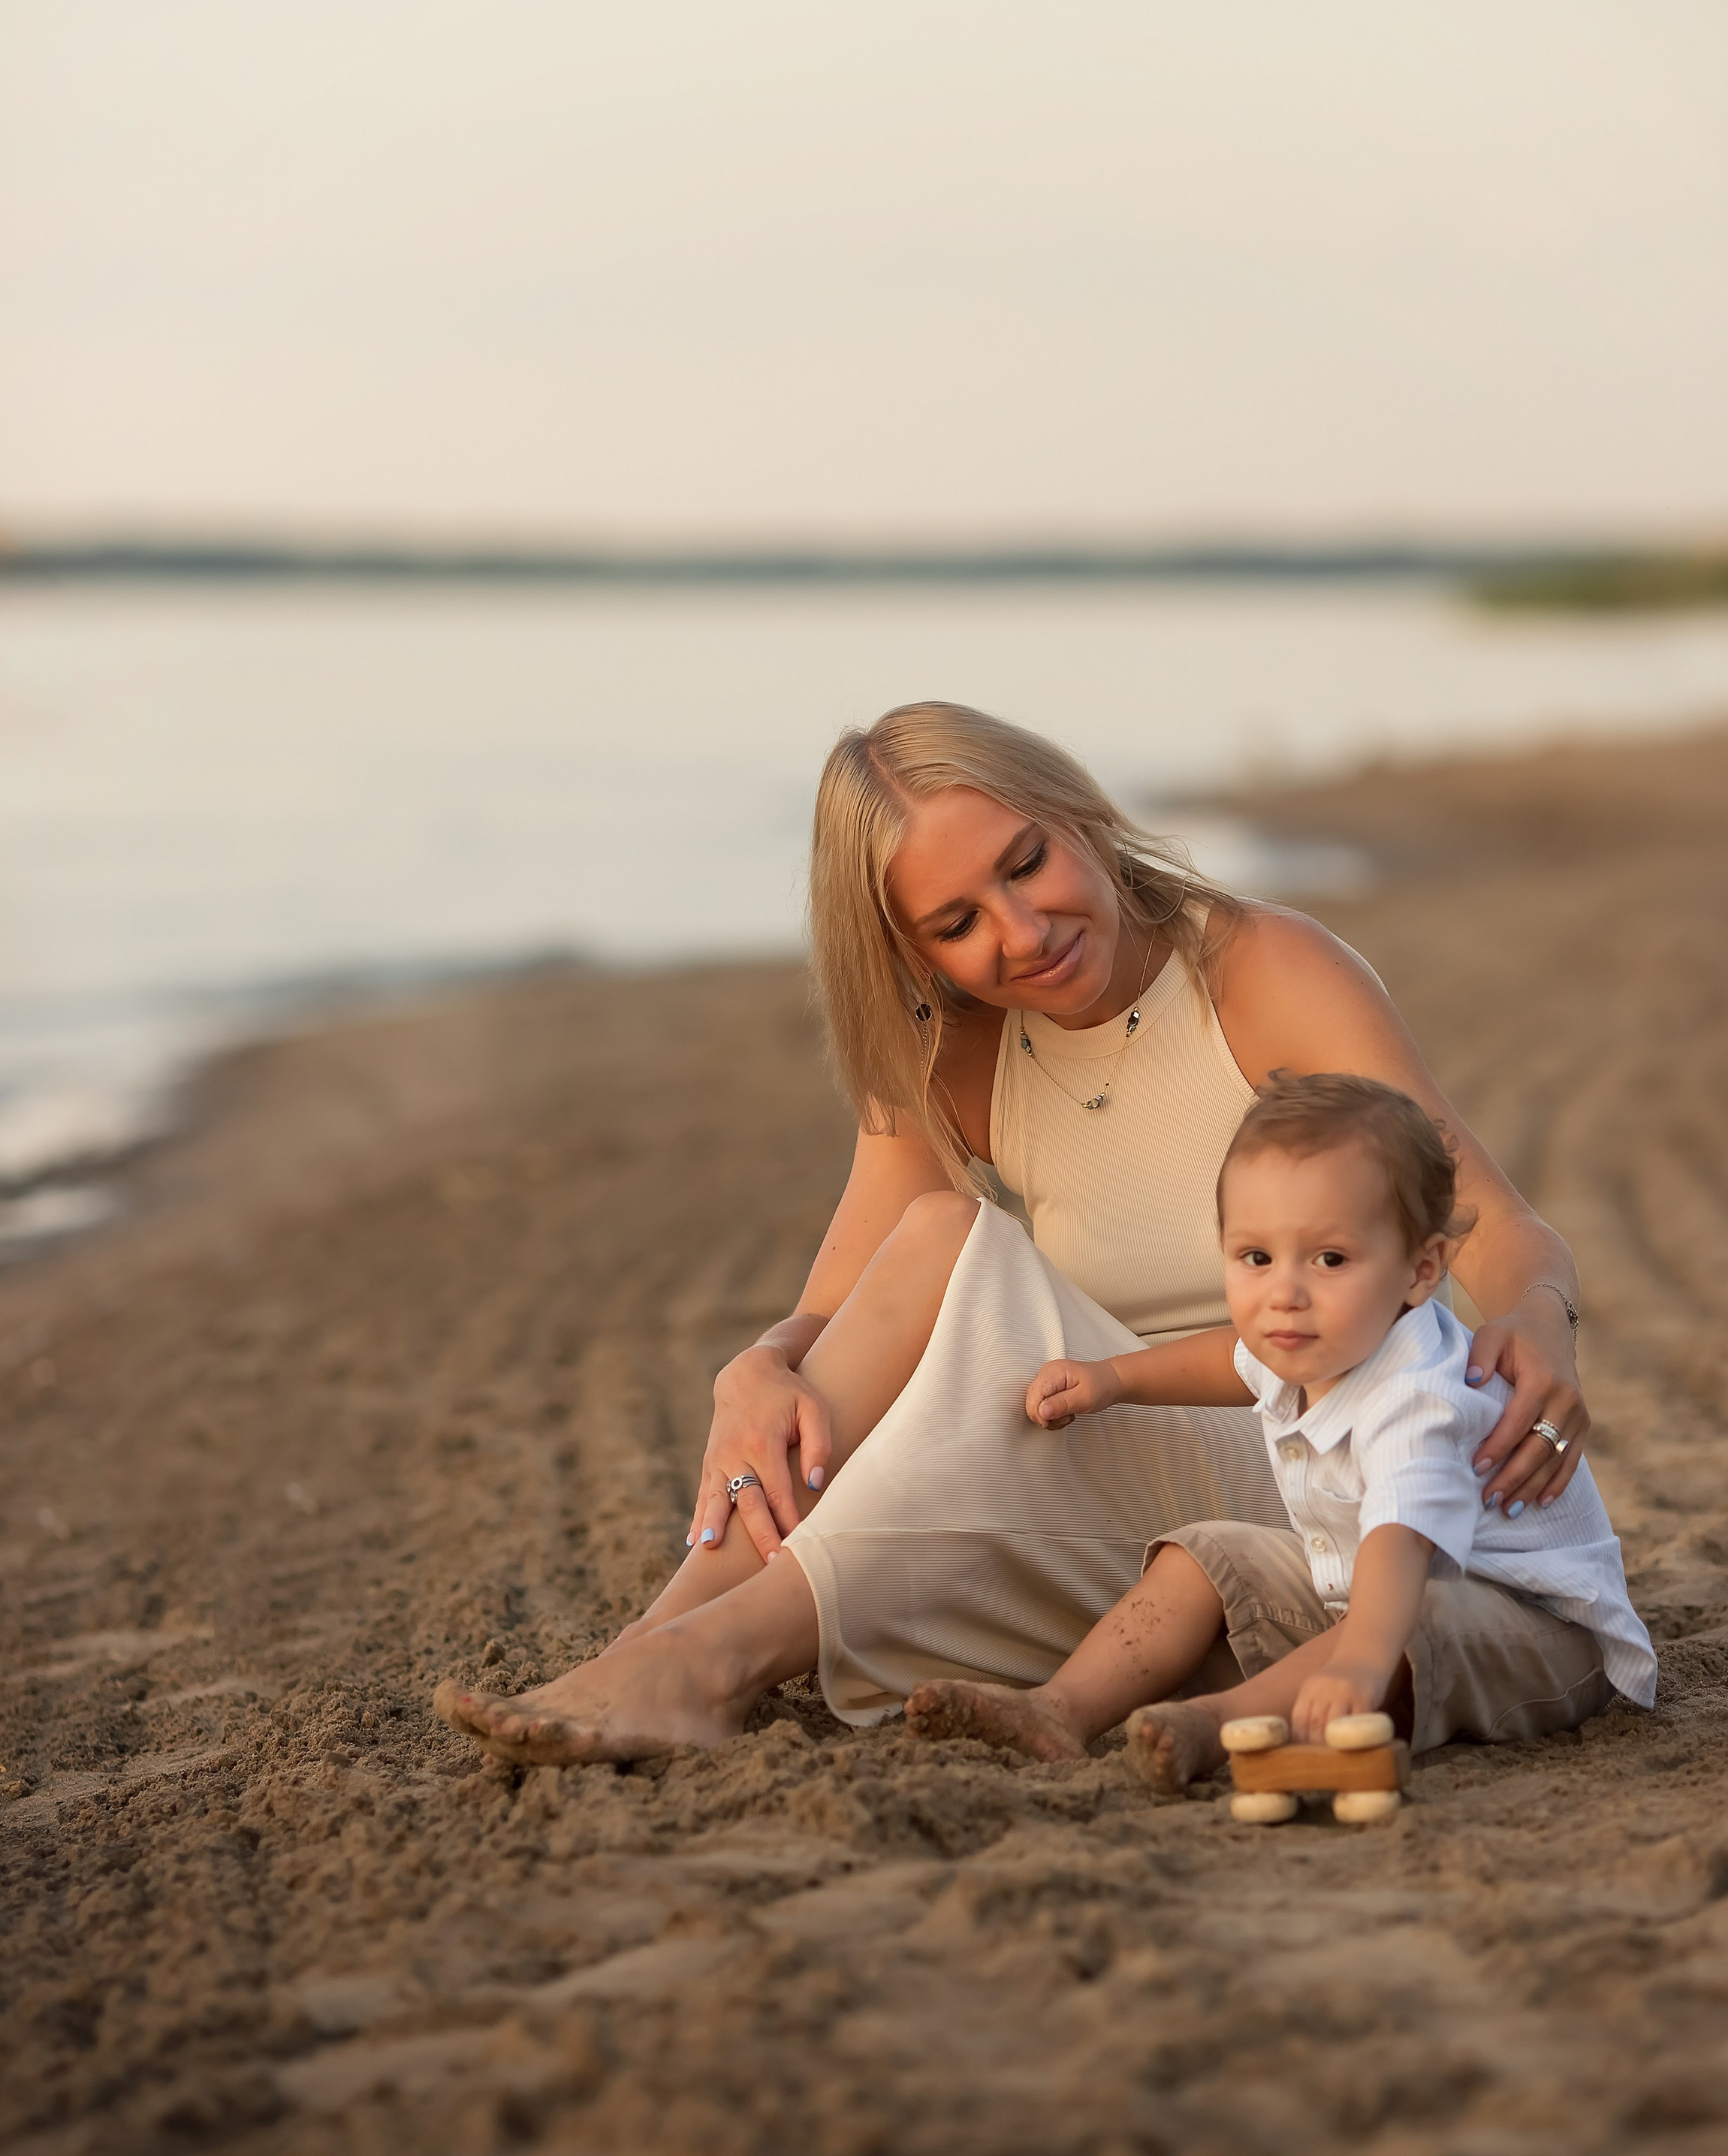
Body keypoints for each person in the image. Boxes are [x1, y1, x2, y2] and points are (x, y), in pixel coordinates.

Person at [436, 703, 1591, 1769]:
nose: (1024, 930)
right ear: (914, 954)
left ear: (1075, 813)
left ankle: (703, 1660)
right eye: (958, 923)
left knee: (956, 1282)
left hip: (1312, 1473)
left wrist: (1540, 1317)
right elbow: (849, 1316)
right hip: (1117, 1463)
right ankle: (657, 1643)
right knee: (937, 1247)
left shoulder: (1257, 969)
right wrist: (760, 1363)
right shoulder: (956, 1054)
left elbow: (1488, 1226)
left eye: (1026, 863)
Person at [903, 1072, 1654, 1785]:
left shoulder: (1419, 1396)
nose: (1284, 1294)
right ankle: (1060, 1709)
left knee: (1402, 1619)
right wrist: (1114, 1378)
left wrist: (1362, 1658)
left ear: (1421, 1271)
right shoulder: (1321, 1337)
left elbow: (1404, 1534)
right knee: (1208, 1551)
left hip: (1542, 1629)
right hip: (1380, 1591)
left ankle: (1217, 1722)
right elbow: (1233, 1360)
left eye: (1330, 1258)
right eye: (1255, 1257)